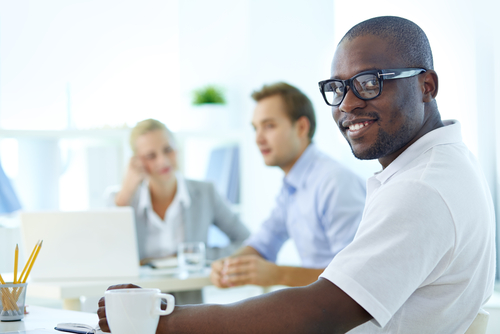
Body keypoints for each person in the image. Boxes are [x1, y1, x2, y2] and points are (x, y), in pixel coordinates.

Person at [98, 16, 496, 333]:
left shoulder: (418, 187)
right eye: (338, 88)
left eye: (370, 83)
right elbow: (264, 243)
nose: (349, 103)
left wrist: (160, 321)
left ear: (427, 85)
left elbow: (319, 311)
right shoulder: (434, 166)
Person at [210, 82, 366, 288]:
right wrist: (228, 265)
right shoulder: (292, 184)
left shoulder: (334, 182)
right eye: (256, 128)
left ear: (301, 127)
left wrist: (279, 275)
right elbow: (265, 241)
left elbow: (354, 276)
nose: (258, 138)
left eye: (269, 126)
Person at [107, 118, 250, 304]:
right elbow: (108, 258)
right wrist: (125, 195)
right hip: (137, 305)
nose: (163, 161)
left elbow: (246, 241)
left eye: (168, 150)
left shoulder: (205, 193)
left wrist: (197, 257)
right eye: (151, 156)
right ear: (137, 162)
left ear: (177, 149)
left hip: (188, 306)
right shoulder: (123, 199)